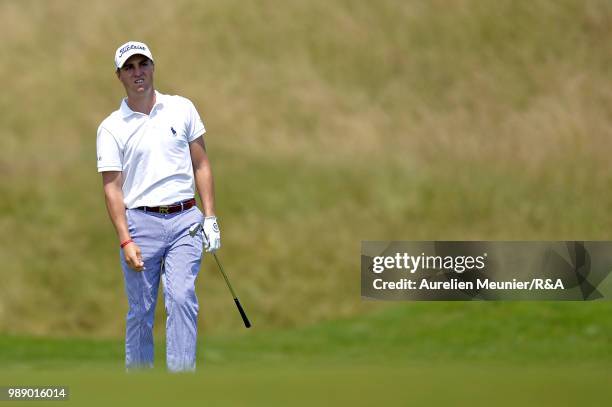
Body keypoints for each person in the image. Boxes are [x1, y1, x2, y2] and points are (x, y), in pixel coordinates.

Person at [96, 41, 221, 372]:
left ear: (153, 67)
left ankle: (180, 385)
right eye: (130, 67)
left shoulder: (181, 108)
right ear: (119, 75)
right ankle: (140, 388)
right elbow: (112, 187)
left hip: (185, 221)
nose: (138, 72)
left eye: (143, 64)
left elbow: (202, 165)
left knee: (181, 298)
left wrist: (210, 218)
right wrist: (125, 238)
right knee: (141, 309)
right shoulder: (111, 127)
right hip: (140, 223)